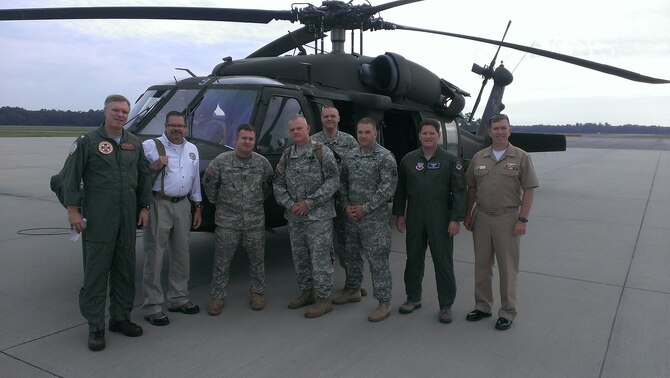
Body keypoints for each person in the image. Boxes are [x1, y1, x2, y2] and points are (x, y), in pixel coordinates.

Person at [62, 94, 152, 351]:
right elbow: (70, 178)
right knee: (96, 272)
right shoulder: (87, 142)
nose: (121, 115)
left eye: (125, 111)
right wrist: (73, 212)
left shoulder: (133, 142)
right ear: (105, 111)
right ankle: (95, 326)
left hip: (127, 217)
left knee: (125, 269)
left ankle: (120, 318)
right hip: (99, 218)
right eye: (116, 110)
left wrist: (145, 207)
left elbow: (144, 177)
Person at [463, 114, 539, 331]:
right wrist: (468, 214)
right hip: (482, 217)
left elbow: (529, 189)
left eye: (503, 128)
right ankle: (482, 306)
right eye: (495, 128)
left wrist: (522, 219)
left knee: (508, 268)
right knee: (482, 265)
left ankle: (507, 311)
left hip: (508, 218)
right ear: (490, 132)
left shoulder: (521, 157)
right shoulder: (480, 157)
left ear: (509, 130)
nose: (499, 132)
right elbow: (471, 188)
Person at [392, 118, 466, 324]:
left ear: (438, 135)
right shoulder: (408, 159)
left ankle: (446, 305)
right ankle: (413, 298)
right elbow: (401, 190)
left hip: (440, 216)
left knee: (443, 261)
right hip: (415, 215)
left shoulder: (450, 160)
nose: (428, 136)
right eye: (424, 133)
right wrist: (400, 214)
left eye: (431, 133)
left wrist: (455, 219)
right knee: (413, 259)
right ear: (419, 136)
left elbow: (460, 191)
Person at [202, 124, 274, 315]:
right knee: (222, 261)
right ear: (236, 139)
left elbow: (268, 187)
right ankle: (217, 297)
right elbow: (209, 186)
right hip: (227, 221)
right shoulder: (221, 162)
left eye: (251, 139)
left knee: (257, 260)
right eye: (244, 138)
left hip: (254, 221)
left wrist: (253, 204)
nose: (247, 142)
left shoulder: (262, 163)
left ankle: (257, 293)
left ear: (254, 141)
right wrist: (223, 204)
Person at [273, 115, 340, 318]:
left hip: (318, 216)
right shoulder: (286, 155)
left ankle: (323, 298)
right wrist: (290, 204)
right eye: (292, 130)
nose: (295, 133)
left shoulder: (321, 151)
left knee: (320, 258)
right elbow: (278, 184)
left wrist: (309, 203)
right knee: (300, 256)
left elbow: (333, 180)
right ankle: (307, 291)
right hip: (295, 217)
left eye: (299, 129)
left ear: (308, 128)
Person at [141, 111, 203, 326]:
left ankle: (178, 298)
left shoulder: (192, 149)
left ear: (186, 128)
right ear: (165, 126)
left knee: (181, 254)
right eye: (172, 125)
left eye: (180, 126)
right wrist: (154, 166)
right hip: (160, 203)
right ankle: (152, 306)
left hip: (183, 204)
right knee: (154, 255)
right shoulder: (150, 146)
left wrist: (197, 206)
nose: (176, 129)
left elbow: (195, 180)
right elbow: (138, 175)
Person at [339, 118, 398, 321]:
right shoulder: (350, 156)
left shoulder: (384, 157)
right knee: (351, 255)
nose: (363, 136)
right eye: (360, 132)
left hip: (374, 221)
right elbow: (343, 182)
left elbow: (387, 189)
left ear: (375, 134)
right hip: (352, 217)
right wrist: (347, 205)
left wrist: (365, 209)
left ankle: (384, 301)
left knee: (377, 261)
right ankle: (353, 289)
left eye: (367, 132)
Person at [311, 106, 362, 302]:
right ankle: (323, 286)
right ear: (321, 119)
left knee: (348, 245)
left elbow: (357, 169)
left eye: (333, 116)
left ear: (339, 118)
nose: (330, 119)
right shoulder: (314, 141)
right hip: (322, 202)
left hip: (343, 200)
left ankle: (353, 287)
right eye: (326, 116)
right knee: (322, 246)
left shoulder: (349, 141)